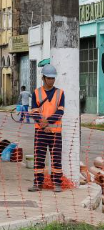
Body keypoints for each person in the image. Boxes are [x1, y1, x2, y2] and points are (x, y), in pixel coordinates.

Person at [28, 64, 65, 193]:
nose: (51, 80)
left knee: (56, 159)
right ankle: (37, 183)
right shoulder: (36, 93)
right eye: (48, 78)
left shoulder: (60, 93)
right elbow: (34, 111)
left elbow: (60, 112)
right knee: (39, 158)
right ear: (43, 78)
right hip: (40, 132)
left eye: (53, 78)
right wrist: (43, 126)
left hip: (55, 133)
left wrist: (47, 123)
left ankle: (57, 184)